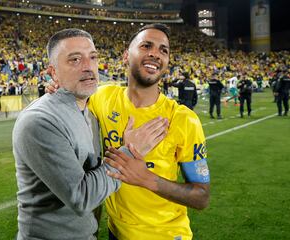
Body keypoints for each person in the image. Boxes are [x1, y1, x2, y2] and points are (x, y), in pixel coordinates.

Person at [49, 24, 210, 240]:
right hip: (116, 230)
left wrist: (145, 178)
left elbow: (201, 197)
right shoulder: (103, 97)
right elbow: (71, 92)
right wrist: (57, 86)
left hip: (164, 235)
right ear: (126, 56)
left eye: (164, 50)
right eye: (146, 46)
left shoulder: (183, 119)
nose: (155, 53)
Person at [13, 28, 168, 240]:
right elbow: (81, 197)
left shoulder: (90, 109)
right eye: (75, 59)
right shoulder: (39, 121)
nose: (88, 67)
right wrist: (130, 152)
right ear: (53, 72)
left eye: (93, 57)